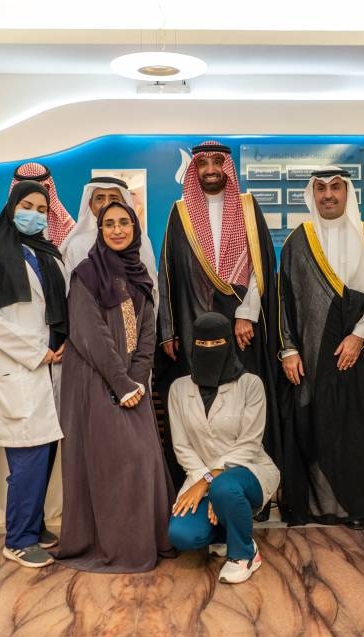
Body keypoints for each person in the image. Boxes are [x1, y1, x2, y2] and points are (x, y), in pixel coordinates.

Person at [55, 201, 176, 573]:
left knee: (145, 459)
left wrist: (136, 380)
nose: (118, 230)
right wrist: (121, 383)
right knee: (116, 462)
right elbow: (89, 333)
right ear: (100, 230)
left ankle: (146, 540)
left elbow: (147, 333)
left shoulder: (140, 274)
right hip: (94, 381)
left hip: (132, 386)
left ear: (135, 229)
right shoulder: (86, 274)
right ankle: (116, 546)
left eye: (125, 223)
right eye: (109, 224)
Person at [156, 141, 280, 489]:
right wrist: (169, 330)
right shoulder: (180, 212)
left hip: (242, 325)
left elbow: (260, 266)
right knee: (198, 410)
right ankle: (195, 483)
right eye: (203, 163)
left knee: (244, 404)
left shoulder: (248, 206)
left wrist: (247, 314)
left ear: (227, 167)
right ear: (194, 169)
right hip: (194, 328)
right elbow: (168, 272)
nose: (210, 169)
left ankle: (248, 484)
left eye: (217, 162)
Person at [277, 167, 364, 528]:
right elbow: (284, 299)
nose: (328, 195)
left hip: (363, 354)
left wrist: (359, 334)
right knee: (317, 426)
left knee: (360, 431)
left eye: (336, 187)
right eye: (321, 188)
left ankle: (360, 507)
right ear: (313, 194)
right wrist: (288, 349)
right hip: (312, 356)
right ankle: (316, 505)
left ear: (347, 192)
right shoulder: (298, 240)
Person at [0, 180, 66, 569]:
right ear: (11, 208)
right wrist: (35, 352)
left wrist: (61, 343)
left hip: (49, 368)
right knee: (27, 461)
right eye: (27, 206)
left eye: (42, 209)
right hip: (18, 371)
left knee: (44, 456)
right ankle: (19, 539)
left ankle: (34, 526)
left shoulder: (46, 253)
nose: (34, 215)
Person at [167, 312, 279, 583]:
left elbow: (249, 444)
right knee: (181, 534)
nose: (209, 349)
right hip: (201, 476)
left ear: (228, 343)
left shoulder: (250, 385)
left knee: (224, 487)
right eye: (202, 344)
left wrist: (209, 481)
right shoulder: (179, 389)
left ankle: (244, 554)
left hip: (247, 471)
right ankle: (228, 530)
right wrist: (205, 481)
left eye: (216, 343)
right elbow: (182, 447)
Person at [61, 176, 159, 301]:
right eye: (100, 198)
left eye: (113, 198)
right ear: (90, 205)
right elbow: (73, 295)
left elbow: (151, 291)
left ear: (124, 204)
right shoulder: (77, 245)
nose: (107, 204)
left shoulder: (141, 243)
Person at [9, 162, 76, 247]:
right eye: (26, 207)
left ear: (47, 188)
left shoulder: (66, 228)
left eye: (41, 210)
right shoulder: (2, 231)